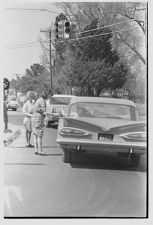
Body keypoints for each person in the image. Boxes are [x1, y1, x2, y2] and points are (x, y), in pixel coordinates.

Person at [32, 90, 48, 155]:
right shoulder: (42, 101)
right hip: (39, 119)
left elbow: (36, 109)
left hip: (34, 119)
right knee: (40, 136)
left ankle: (36, 150)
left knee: (35, 135)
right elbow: (44, 111)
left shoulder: (38, 100)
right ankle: (40, 151)